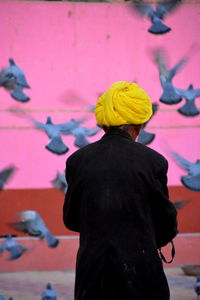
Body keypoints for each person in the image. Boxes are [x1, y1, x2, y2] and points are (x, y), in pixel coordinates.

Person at [63, 81, 178, 300]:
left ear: (104, 124)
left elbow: (71, 220)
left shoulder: (77, 160)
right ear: (138, 127)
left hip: (93, 273)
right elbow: (165, 220)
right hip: (141, 271)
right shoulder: (153, 161)